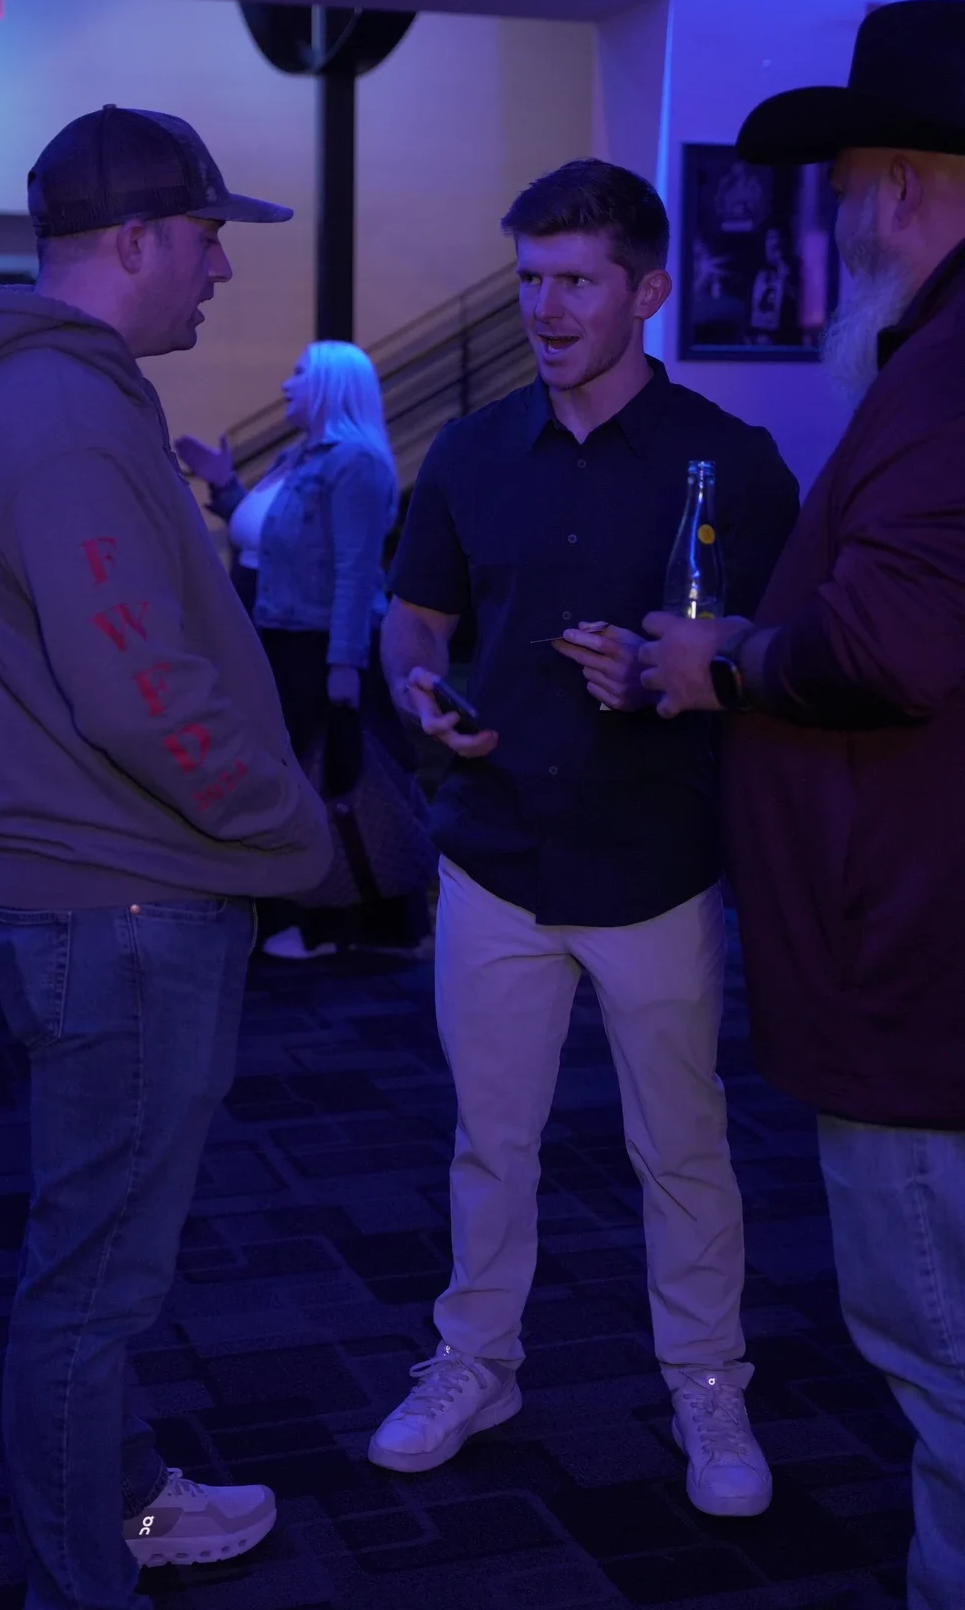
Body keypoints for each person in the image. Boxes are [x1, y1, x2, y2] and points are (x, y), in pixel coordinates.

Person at [0, 105, 331, 1610]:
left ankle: (126, 1502)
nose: (221, 269)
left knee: (92, 1257)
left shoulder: (49, 397)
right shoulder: (62, 414)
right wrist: (297, 829)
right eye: (210, 238)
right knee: (92, 1286)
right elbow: (139, 693)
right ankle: (80, 1579)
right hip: (126, 906)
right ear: (138, 239)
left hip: (107, 897)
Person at [376, 159, 800, 1517]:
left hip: (651, 859)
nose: (545, 308)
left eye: (575, 281)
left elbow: (778, 659)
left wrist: (678, 670)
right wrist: (421, 693)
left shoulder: (731, 462)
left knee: (680, 1146)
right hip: (493, 853)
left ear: (648, 290)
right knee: (489, 1142)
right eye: (530, 279)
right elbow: (415, 623)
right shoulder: (469, 451)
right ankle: (475, 1363)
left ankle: (708, 1384)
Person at [637, 0, 965, 1609]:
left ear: (895, 186)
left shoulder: (949, 373)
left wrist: (731, 664)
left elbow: (890, 648)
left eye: (842, 193)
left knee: (942, 1361)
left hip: (920, 972)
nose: (836, 230)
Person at [178, 341, 429, 959]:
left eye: (299, 374)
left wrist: (344, 663)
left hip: (319, 647)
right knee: (295, 783)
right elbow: (270, 537)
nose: (286, 385)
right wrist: (224, 484)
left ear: (331, 386)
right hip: (282, 643)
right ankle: (301, 916)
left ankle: (340, 926)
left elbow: (355, 571)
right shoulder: (298, 457)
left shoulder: (356, 465)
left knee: (338, 785)